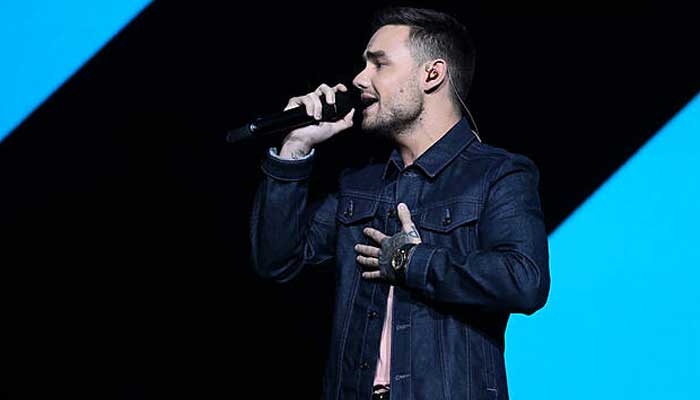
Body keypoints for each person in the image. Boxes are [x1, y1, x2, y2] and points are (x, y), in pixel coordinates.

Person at [250, 6, 549, 400]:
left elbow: (524, 281)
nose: (359, 79)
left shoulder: (497, 173)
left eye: (379, 64)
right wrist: (295, 147)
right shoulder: (360, 183)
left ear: (432, 75)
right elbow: (277, 261)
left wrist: (412, 262)